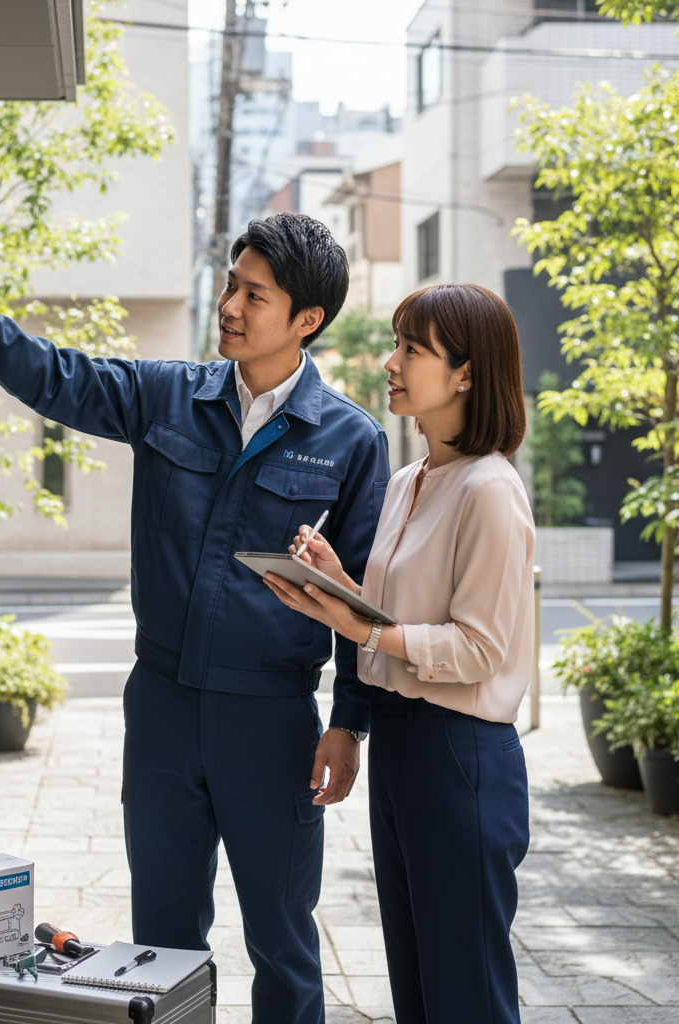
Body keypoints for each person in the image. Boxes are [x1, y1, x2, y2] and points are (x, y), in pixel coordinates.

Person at [0, 213, 389, 1024]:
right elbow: (58, 376)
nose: (230, 305)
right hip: (162, 709)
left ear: (307, 321)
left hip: (273, 720)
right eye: (230, 283)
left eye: (255, 295)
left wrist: (350, 725)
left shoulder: (352, 442)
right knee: (162, 942)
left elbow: (364, 594)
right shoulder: (169, 397)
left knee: (283, 941)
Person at [264, 283, 533, 1024]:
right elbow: (402, 612)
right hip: (405, 753)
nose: (391, 362)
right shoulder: (410, 481)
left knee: (467, 995)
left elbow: (480, 649)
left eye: (413, 349)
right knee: (418, 991)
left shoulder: (490, 490)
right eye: (397, 343)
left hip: (463, 758)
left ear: (467, 373)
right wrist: (338, 581)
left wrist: (361, 631)